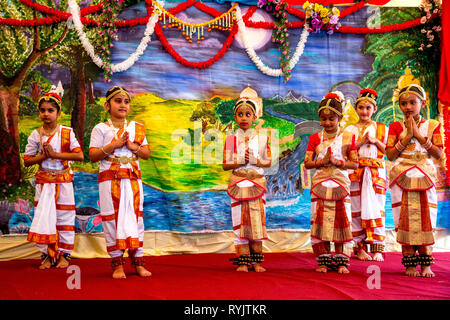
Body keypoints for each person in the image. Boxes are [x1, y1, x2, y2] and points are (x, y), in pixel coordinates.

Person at [89, 86, 151, 279]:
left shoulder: (136, 128)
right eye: (118, 101)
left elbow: (146, 154)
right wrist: (113, 145)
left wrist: (132, 147)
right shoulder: (101, 129)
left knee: (135, 219)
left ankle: (138, 262)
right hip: (110, 178)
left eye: (126, 101)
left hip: (132, 179)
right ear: (107, 105)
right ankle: (117, 265)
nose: (123, 105)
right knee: (112, 219)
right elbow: (92, 155)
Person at [386, 84, 443, 277]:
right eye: (403, 103)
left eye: (412, 102)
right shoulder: (395, 127)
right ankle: (409, 264)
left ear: (423, 103)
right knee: (404, 220)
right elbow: (391, 155)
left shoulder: (433, 125)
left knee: (427, 219)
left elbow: (438, 153)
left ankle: (426, 264)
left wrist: (418, 136)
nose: (408, 107)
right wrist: (407, 137)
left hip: (425, 175)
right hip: (401, 176)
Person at [24, 92, 84, 269]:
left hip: (63, 182)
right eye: (42, 110)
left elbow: (79, 155)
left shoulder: (67, 133)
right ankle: (47, 255)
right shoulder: (36, 135)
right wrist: (43, 157)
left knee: (64, 217)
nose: (46, 114)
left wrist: (55, 155)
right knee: (45, 218)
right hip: (44, 183)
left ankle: (64, 255)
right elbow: (27, 160)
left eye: (50, 110)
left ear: (58, 113)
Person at [304, 92, 358, 274]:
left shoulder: (348, 137)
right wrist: (322, 162)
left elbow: (355, 163)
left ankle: (342, 261)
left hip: (340, 185)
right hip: (320, 184)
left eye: (331, 118)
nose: (327, 123)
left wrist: (337, 162)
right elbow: (307, 163)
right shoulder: (314, 139)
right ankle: (323, 260)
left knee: (342, 220)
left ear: (340, 118)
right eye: (323, 119)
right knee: (320, 221)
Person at [222, 88, 272, 272]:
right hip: (238, 183)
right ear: (235, 117)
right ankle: (243, 262)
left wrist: (255, 160)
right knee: (239, 222)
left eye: (247, 114)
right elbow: (225, 165)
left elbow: (268, 162)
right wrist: (239, 161)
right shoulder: (230, 139)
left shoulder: (261, 139)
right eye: (240, 114)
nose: (244, 118)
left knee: (257, 222)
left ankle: (257, 262)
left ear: (254, 117)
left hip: (257, 183)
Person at [344, 89, 387, 261]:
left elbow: (389, 152)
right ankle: (359, 247)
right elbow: (345, 153)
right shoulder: (349, 129)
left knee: (377, 208)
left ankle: (377, 248)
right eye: (361, 108)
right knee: (356, 209)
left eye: (368, 108)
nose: (364, 111)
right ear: (356, 108)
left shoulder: (382, 128)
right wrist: (360, 142)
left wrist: (375, 141)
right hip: (356, 173)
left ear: (374, 109)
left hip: (376, 174)